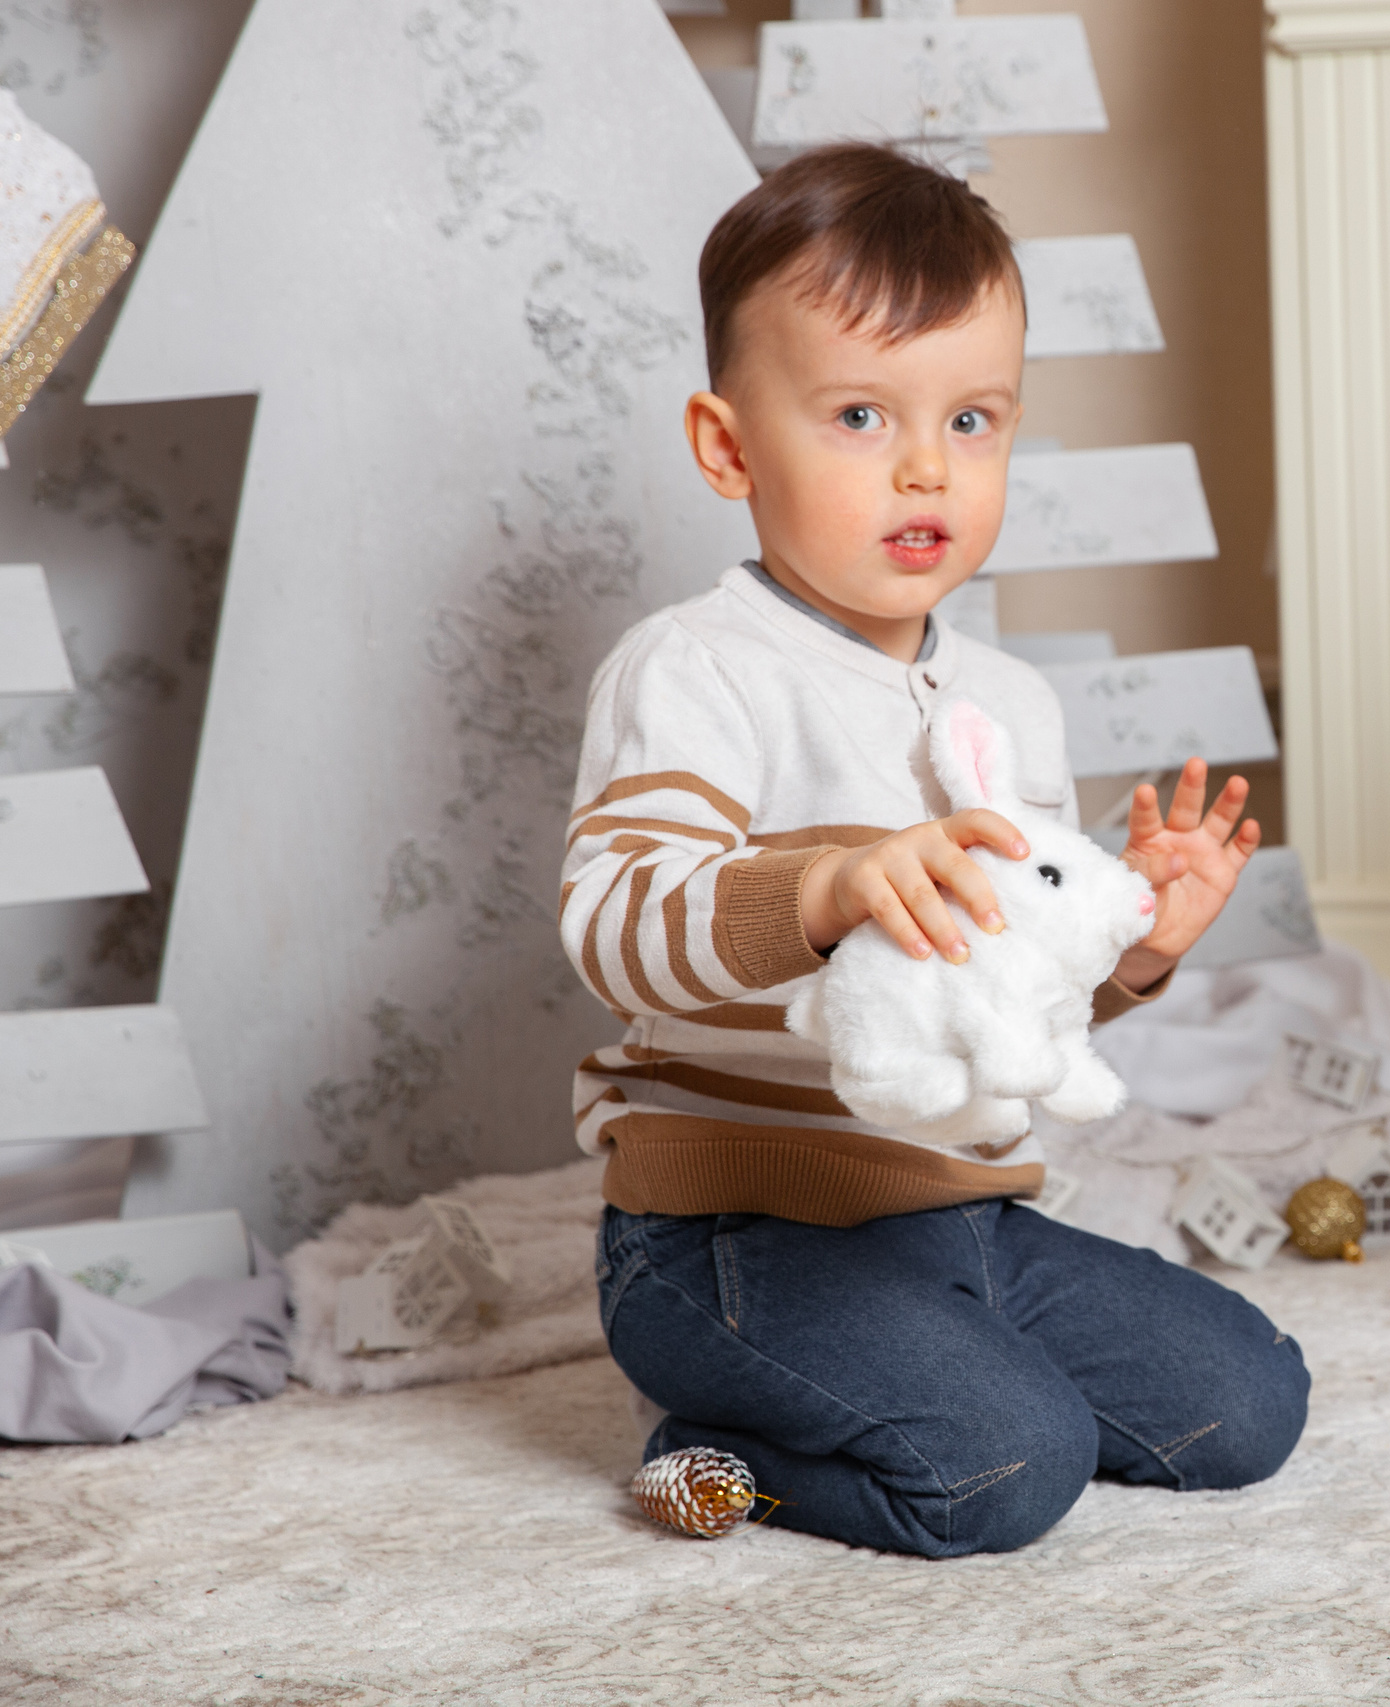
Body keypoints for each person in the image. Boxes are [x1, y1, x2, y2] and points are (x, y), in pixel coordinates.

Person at [561, 145, 1306, 1555]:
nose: (926, 466)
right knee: (1001, 1467)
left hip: (959, 1216)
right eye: (858, 415)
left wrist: (1134, 951)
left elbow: (1001, 1006)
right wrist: (828, 889)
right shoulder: (695, 672)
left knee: (1245, 1406)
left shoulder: (1007, 707)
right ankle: (711, 1449)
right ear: (729, 446)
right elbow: (614, 923)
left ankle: (935, 1356)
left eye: (973, 420)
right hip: (733, 1237)